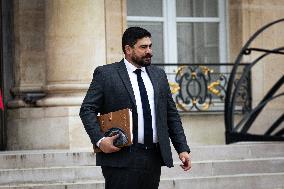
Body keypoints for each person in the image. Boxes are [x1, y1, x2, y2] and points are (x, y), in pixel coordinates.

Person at [79, 26, 191, 189]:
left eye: (150, 46)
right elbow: (86, 109)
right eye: (143, 47)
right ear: (128, 49)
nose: (149, 51)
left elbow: (171, 115)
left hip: (153, 157)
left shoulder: (159, 75)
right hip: (121, 158)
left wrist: (182, 149)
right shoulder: (106, 74)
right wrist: (100, 140)